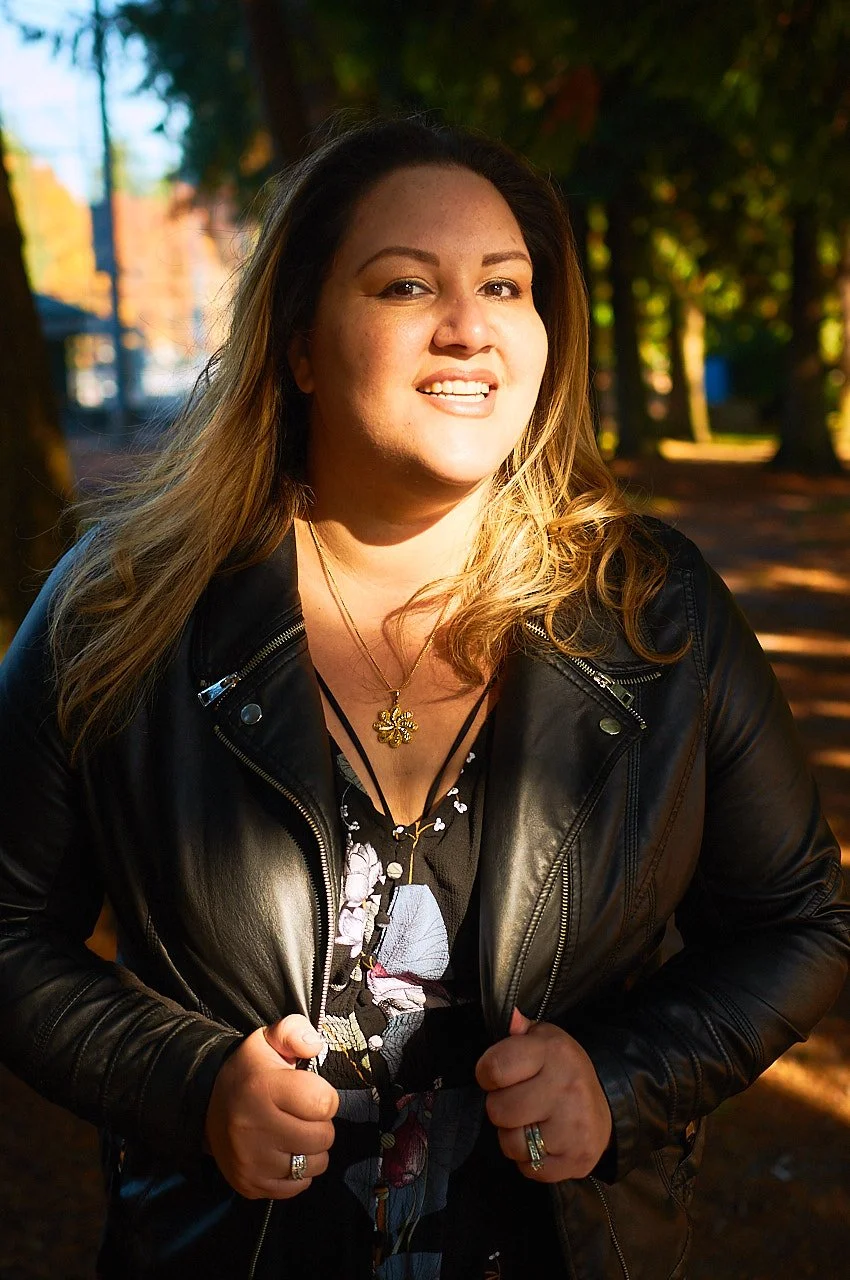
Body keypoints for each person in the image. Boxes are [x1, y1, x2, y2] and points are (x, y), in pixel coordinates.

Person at [0, 116, 847, 1280]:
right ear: (298, 344)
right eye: (405, 283)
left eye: (505, 284)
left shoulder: (657, 614)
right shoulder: (124, 610)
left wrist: (617, 1077)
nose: (470, 326)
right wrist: (185, 1084)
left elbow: (804, 921)